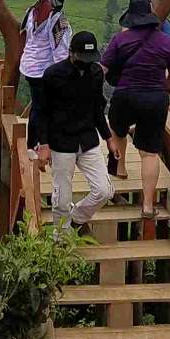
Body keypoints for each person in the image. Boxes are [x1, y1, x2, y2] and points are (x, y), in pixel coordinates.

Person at [102, 0, 170, 224]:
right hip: (155, 99)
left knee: (118, 131)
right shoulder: (165, 42)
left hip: (125, 95)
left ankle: (120, 168)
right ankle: (147, 205)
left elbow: (103, 68)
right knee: (150, 152)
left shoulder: (120, 40)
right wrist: (163, 88)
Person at [34, 31, 113, 238]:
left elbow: (98, 108)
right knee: (61, 197)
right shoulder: (52, 75)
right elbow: (41, 111)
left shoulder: (96, 73)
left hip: (88, 140)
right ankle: (60, 238)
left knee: (104, 190)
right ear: (71, 53)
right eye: (82, 58)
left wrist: (108, 137)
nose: (86, 63)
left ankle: (77, 217)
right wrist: (43, 144)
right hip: (61, 142)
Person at [18, 0, 71, 150]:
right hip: (46, 70)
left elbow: (24, 35)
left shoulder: (31, 11)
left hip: (28, 67)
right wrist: (64, 75)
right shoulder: (57, 19)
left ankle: (33, 144)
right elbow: (60, 51)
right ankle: (39, 145)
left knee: (37, 106)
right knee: (45, 109)